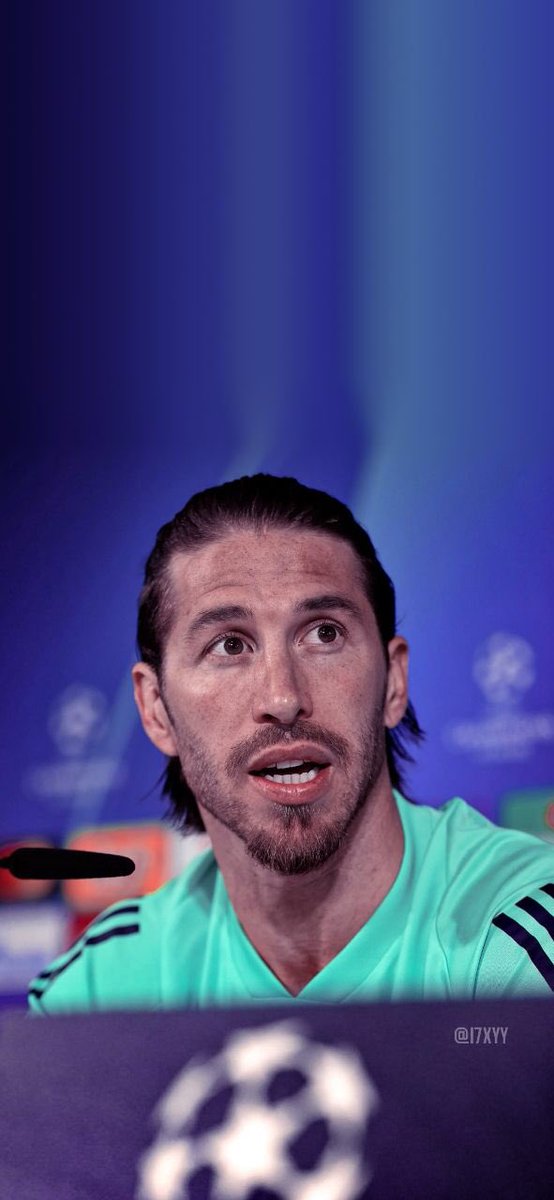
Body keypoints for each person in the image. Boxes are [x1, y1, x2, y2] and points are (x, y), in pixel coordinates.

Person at [29, 475, 554, 1012]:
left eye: (324, 633)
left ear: (394, 682)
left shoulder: (519, 944)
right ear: (155, 709)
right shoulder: (98, 991)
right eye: (229, 645)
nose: (283, 697)